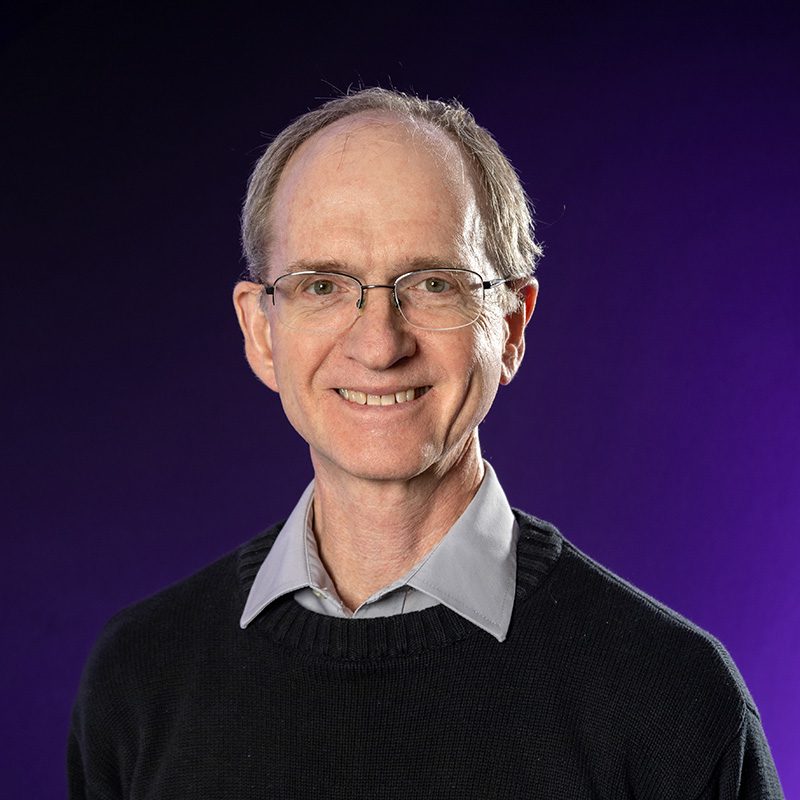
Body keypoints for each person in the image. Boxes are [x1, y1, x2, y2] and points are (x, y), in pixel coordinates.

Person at [68, 88, 783, 799]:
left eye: (433, 283)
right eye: (323, 284)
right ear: (261, 332)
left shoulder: (675, 704)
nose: (379, 344)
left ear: (509, 327)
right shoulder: (139, 682)